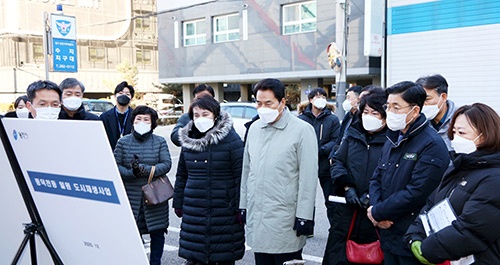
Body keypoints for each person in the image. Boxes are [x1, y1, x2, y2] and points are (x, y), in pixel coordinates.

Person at [405, 103, 500, 265]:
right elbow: (432, 205)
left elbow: (473, 229)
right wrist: (415, 235)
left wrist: (428, 248)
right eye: (454, 132)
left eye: (462, 132)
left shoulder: (494, 178)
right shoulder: (458, 167)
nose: (456, 138)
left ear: (484, 136)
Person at [367, 81, 449, 265]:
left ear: (414, 111)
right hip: (387, 233)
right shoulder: (393, 136)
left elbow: (417, 192)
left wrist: (379, 212)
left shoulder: (431, 144)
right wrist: (376, 212)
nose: (390, 112)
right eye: (388, 106)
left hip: (410, 233)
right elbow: (377, 177)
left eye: (397, 107)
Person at [240, 78, 318, 265]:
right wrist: (243, 205)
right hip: (258, 214)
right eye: (259, 103)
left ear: (282, 102)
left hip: (285, 217)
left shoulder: (302, 130)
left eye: (269, 103)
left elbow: (308, 178)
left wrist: (305, 216)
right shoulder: (254, 129)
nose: (263, 107)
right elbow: (246, 170)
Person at [173, 95, 245, 265]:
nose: (200, 119)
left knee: (223, 255)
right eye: (196, 115)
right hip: (193, 209)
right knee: (195, 253)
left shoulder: (231, 140)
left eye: (205, 114)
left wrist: (240, 207)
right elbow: (182, 174)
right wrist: (178, 202)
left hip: (223, 209)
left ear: (216, 115)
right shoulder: (189, 140)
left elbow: (240, 176)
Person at [323, 87, 388, 265]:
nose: (369, 116)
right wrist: (347, 187)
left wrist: (370, 196)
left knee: (372, 256)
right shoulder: (352, 133)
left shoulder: (393, 140)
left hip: (374, 213)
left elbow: (391, 175)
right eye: (366, 111)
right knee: (338, 256)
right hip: (346, 210)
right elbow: (337, 162)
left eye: (375, 113)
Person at [114, 105, 171, 265]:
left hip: (155, 195)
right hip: (131, 196)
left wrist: (146, 170)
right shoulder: (123, 142)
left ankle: (155, 262)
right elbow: (115, 165)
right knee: (131, 234)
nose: (142, 122)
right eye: (139, 118)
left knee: (157, 233)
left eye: (146, 119)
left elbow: (166, 164)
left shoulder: (159, 141)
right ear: (133, 121)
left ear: (153, 123)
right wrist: (132, 173)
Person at [298, 87, 340, 226]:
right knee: (306, 198)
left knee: (330, 199)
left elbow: (336, 140)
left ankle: (334, 227)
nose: (320, 99)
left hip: (325, 164)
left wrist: (319, 149)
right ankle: (306, 227)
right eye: (317, 96)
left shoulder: (332, 119)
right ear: (310, 100)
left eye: (323, 96)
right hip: (305, 164)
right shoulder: (302, 119)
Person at [416, 74, 458, 151]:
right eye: (419, 100)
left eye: (427, 99)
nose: (423, 104)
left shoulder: (461, 119)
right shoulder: (418, 122)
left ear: (443, 97)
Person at [100, 81, 135, 150]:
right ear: (115, 96)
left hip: (130, 155)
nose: (123, 95)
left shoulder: (137, 117)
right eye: (120, 93)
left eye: (127, 94)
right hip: (109, 152)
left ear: (131, 98)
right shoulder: (104, 117)